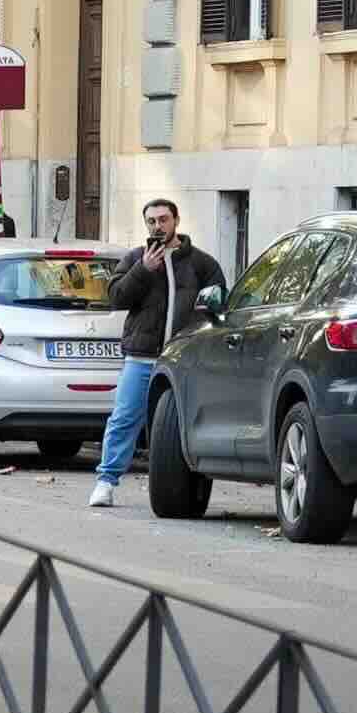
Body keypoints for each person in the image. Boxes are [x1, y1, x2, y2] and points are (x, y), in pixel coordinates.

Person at [91, 196, 228, 508]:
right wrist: (143, 270)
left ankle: (185, 486)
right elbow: (116, 297)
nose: (158, 226)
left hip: (184, 360)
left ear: (176, 221)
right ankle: (106, 481)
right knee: (125, 417)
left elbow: (218, 303)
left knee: (181, 421)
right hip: (142, 357)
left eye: (163, 219)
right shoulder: (136, 258)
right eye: (151, 221)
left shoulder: (201, 263)